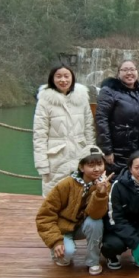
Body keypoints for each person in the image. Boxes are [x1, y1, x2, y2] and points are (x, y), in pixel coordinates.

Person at [36, 146, 112, 276]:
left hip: (83, 226)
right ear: (81, 167)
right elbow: (44, 216)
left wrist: (100, 193)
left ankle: (93, 261)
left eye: (100, 164)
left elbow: (96, 214)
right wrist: (55, 241)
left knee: (96, 222)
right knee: (66, 256)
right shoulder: (66, 184)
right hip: (62, 228)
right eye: (91, 165)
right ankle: (58, 249)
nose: (96, 169)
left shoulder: (104, 185)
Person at [33, 64, 96, 197]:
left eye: (66, 76)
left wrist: (91, 154)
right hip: (55, 157)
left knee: (80, 195)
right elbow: (39, 134)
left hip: (80, 153)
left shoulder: (81, 98)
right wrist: (41, 163)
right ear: (52, 79)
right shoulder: (45, 101)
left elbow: (89, 128)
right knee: (54, 197)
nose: (63, 80)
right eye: (59, 76)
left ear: (72, 78)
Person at [96, 60, 139, 176]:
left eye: (132, 69)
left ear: (137, 72)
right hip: (116, 151)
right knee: (115, 181)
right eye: (125, 70)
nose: (129, 73)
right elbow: (101, 120)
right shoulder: (109, 91)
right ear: (118, 73)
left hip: (137, 149)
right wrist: (107, 150)